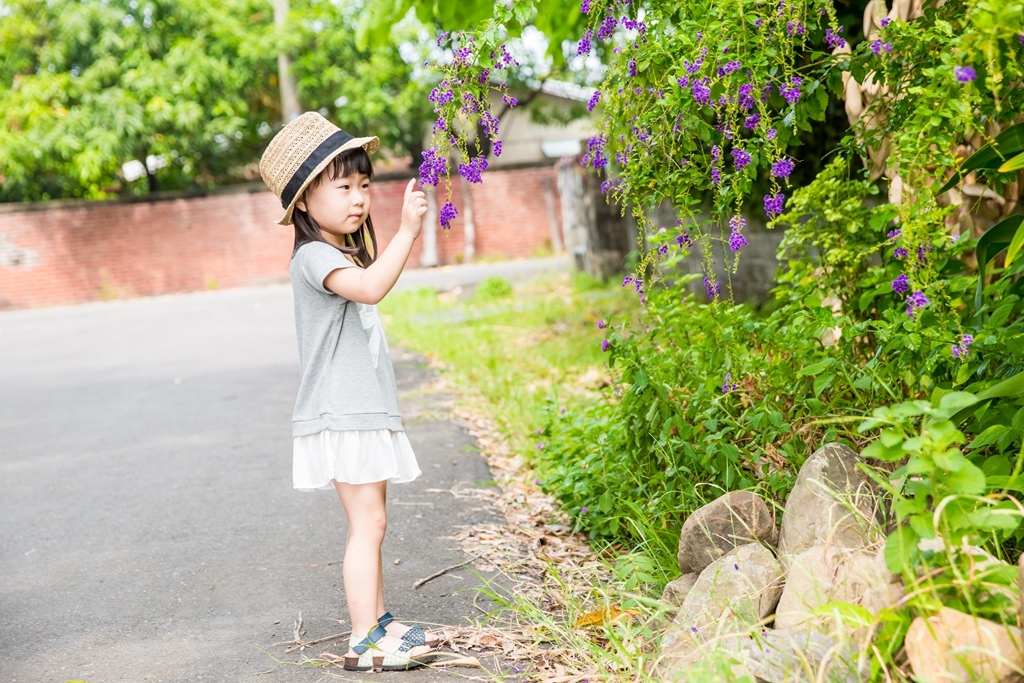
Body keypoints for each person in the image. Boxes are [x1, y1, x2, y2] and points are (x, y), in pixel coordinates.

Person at [259, 112, 438, 672]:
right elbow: (370, 289)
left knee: (374, 521)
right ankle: (364, 640)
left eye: (364, 185)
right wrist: (408, 232)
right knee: (368, 525)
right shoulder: (316, 257)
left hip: (361, 411)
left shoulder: (336, 250)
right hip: (341, 413)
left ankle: (381, 622)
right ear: (305, 202)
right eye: (343, 186)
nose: (359, 198)